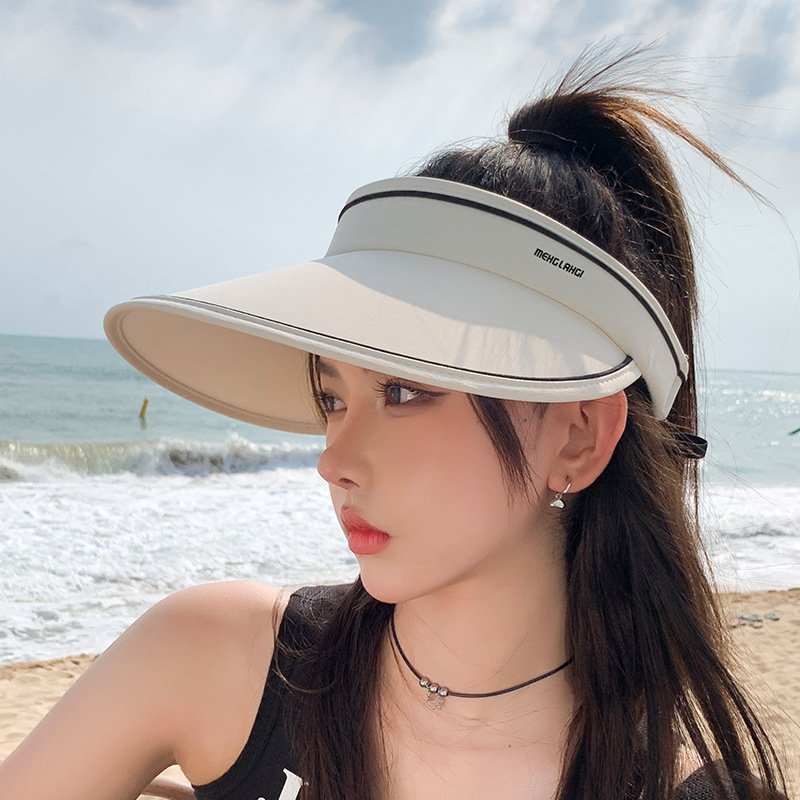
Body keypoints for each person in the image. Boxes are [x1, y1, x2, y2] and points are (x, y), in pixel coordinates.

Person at [0, 47, 789, 800]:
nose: (333, 461)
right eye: (333, 398)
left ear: (579, 436)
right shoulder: (215, 657)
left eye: (405, 390)